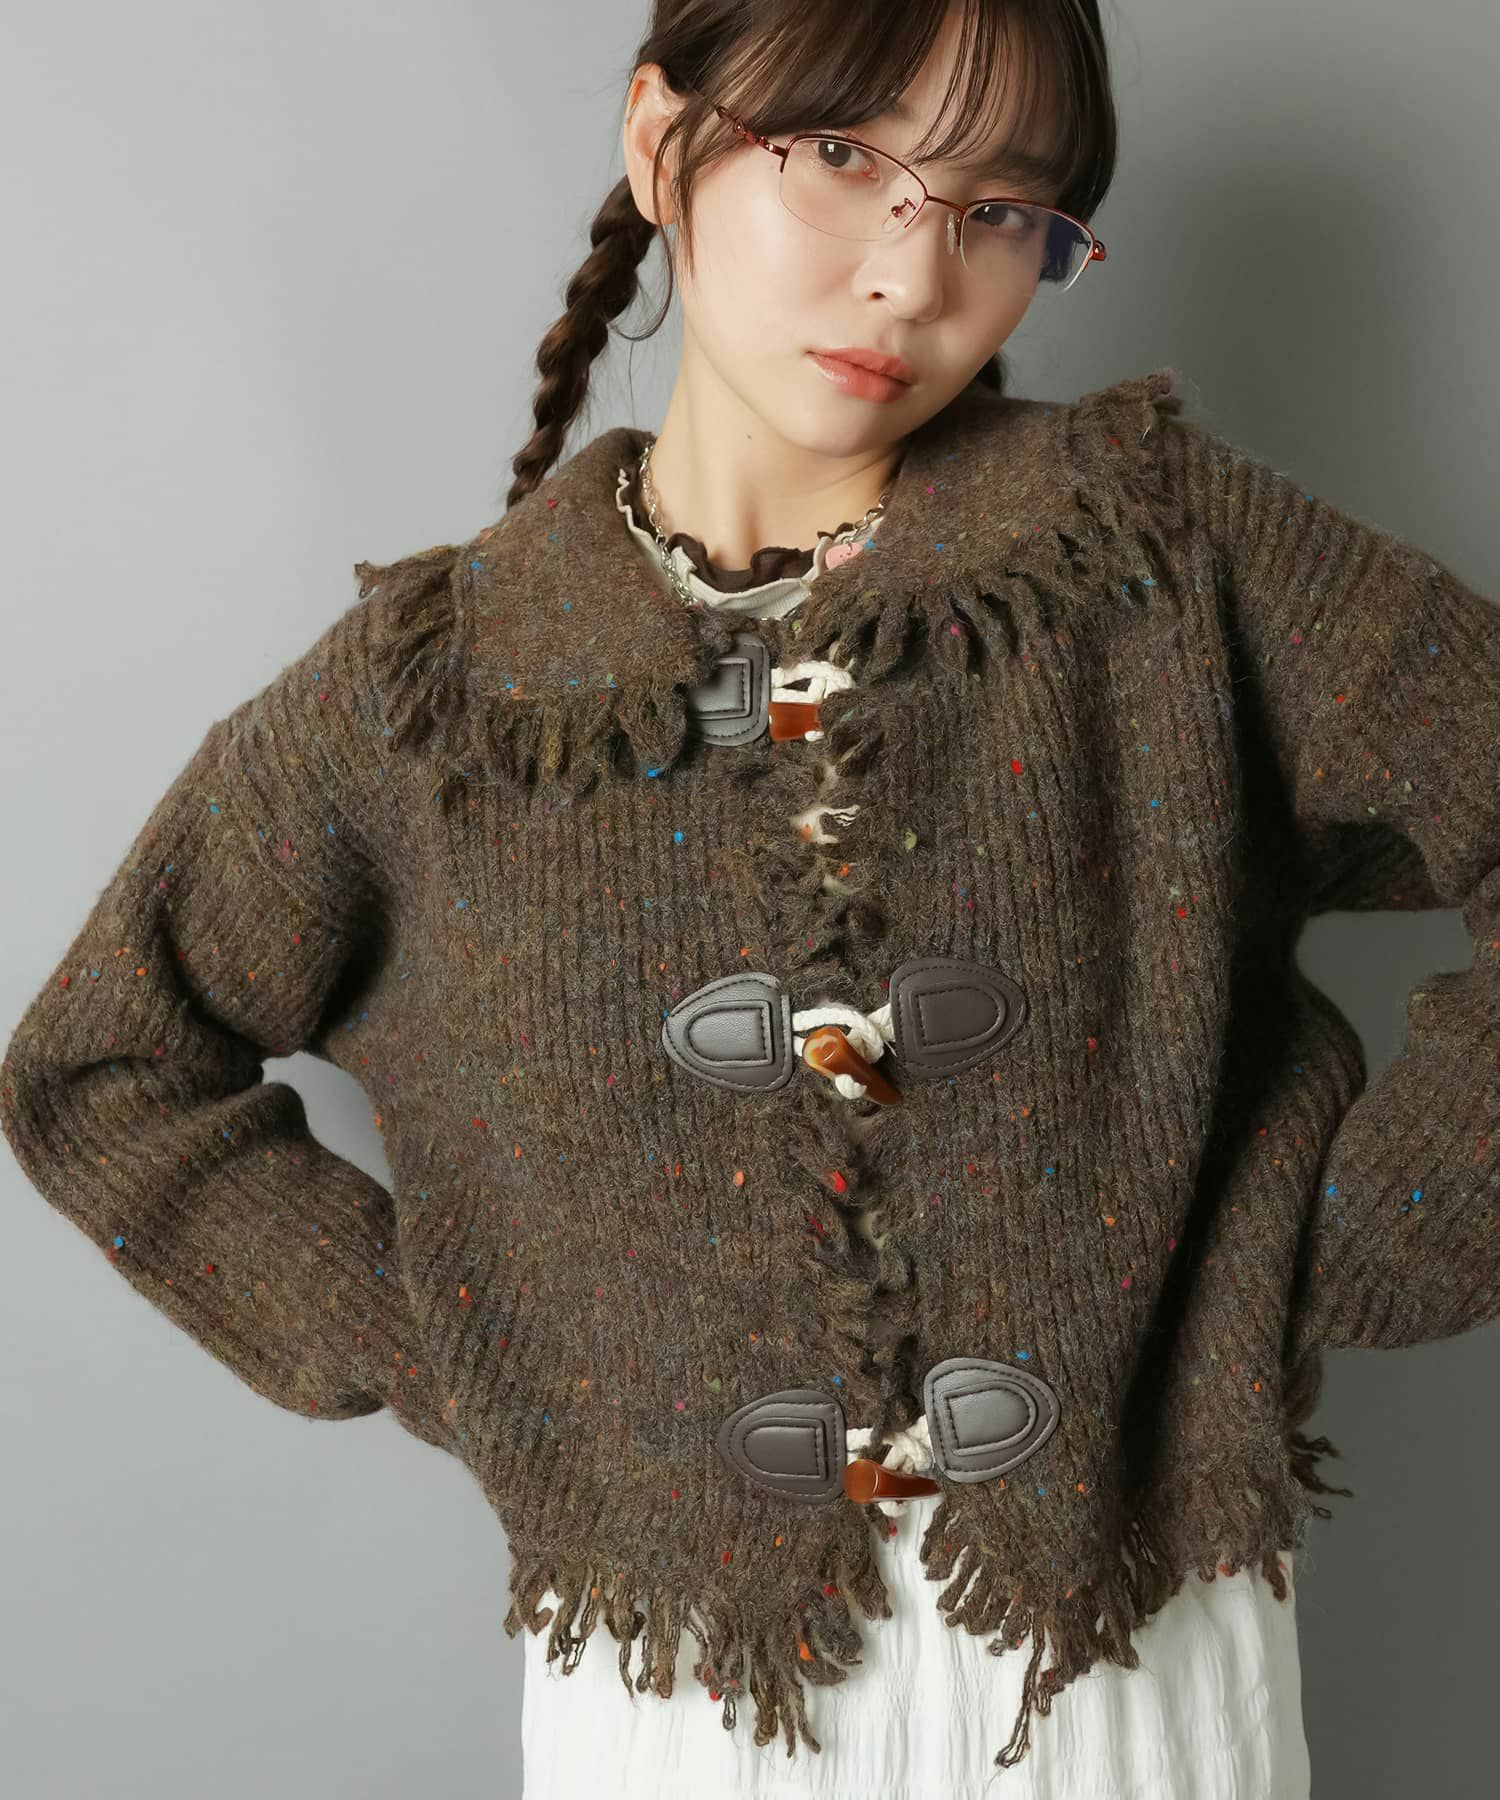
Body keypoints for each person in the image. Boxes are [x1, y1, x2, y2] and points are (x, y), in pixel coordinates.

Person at [5, 4, 1497, 1796]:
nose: (911, 274)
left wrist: (1368, 1239)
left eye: (1000, 210)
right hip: (678, 1706)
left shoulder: (1155, 551)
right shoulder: (440, 692)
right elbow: (103, 1070)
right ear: (664, 140)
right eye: (845, 157)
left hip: (1133, 1665)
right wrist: (495, 1356)